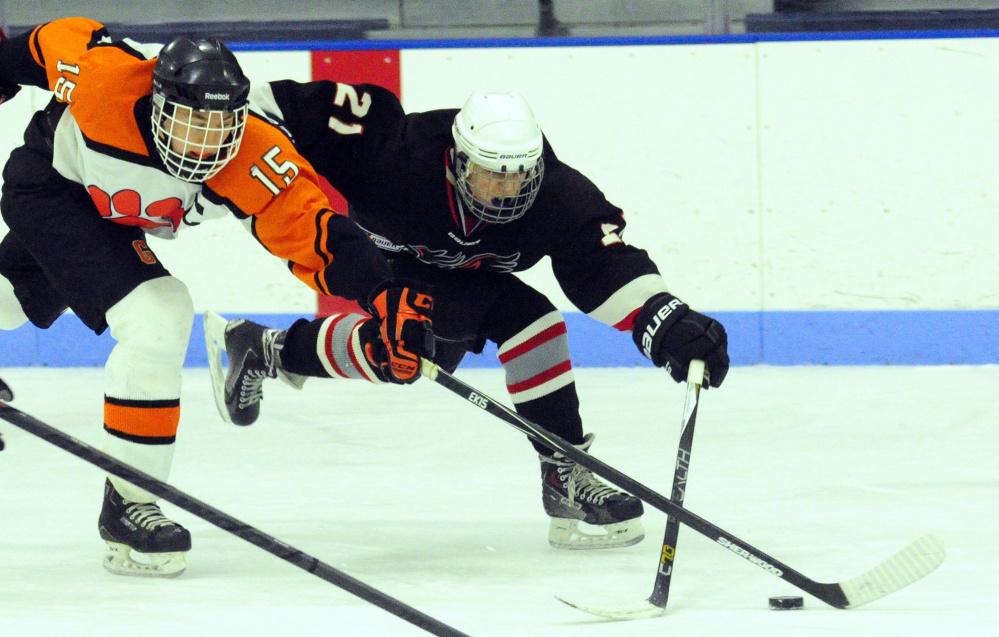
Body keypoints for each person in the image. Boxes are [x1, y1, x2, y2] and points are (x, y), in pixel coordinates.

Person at [207, 82, 730, 551]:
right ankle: (566, 471)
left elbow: (604, 264)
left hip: (466, 278)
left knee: (483, 335)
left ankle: (265, 348)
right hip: (387, 267)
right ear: (458, 160)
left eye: (519, 176)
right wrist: (226, 127)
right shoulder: (391, 153)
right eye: (491, 176)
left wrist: (666, 321)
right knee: (427, 344)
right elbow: (277, 105)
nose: (506, 190)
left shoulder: (556, 195)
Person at [0, 19, 432, 577]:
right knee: (158, 311)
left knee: (12, 300)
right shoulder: (104, 76)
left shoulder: (250, 150)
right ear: (159, 102)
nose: (204, 141)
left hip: (115, 216)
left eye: (220, 124)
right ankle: (131, 502)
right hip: (50, 189)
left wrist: (383, 292)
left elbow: (313, 229)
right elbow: (43, 42)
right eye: (189, 122)